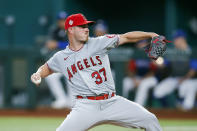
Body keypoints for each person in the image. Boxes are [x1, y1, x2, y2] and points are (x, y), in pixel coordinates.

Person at [31, 13, 162, 131]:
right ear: (70, 29)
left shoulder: (99, 42)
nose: (86, 28)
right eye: (81, 26)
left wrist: (150, 34)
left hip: (112, 102)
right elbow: (47, 67)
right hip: (85, 107)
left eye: (87, 26)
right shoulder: (61, 57)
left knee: (150, 120)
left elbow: (126, 37)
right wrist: (38, 73)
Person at [153, 29, 195, 109]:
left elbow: (193, 70)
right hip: (175, 78)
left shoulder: (191, 51)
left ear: (182, 39)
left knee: (185, 96)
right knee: (158, 92)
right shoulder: (173, 52)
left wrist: (184, 79)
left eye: (176, 39)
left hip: (189, 80)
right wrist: (156, 61)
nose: (174, 41)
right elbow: (163, 64)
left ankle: (187, 111)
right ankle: (169, 111)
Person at [41, 11, 70, 109]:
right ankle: (62, 99)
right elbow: (49, 43)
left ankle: (71, 101)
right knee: (51, 77)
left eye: (64, 20)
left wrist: (58, 44)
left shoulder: (74, 30)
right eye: (61, 20)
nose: (63, 22)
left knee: (71, 79)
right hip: (61, 62)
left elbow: (77, 45)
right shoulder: (54, 30)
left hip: (75, 62)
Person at [123, 40, 158, 106]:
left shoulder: (152, 54)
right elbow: (129, 70)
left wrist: (141, 81)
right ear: (137, 45)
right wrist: (134, 80)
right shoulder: (134, 54)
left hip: (150, 78)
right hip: (136, 78)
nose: (143, 46)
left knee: (143, 85)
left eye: (144, 44)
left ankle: (138, 107)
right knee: (126, 82)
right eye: (141, 44)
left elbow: (153, 72)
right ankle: (122, 106)